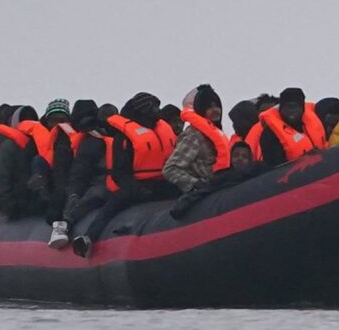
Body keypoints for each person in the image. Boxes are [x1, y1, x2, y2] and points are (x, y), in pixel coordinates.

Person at [71, 92, 178, 257]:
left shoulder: (162, 130)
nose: (156, 112)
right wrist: (135, 189)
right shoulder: (124, 137)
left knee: (183, 189)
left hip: (161, 182)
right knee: (112, 205)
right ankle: (88, 238)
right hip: (134, 185)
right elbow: (120, 172)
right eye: (152, 107)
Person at [48, 100, 106, 248]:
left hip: (96, 184)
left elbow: (78, 173)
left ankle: (64, 225)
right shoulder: (100, 137)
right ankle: (66, 225)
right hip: (105, 185)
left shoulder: (89, 140)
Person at [0, 106, 52, 219]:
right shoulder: (10, 147)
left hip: (37, 205)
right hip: (19, 205)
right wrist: (10, 206)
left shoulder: (43, 145)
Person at [163, 84, 229, 193]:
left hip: (219, 190)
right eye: (210, 107)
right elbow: (170, 169)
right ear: (201, 110)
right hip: (203, 195)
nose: (215, 110)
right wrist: (196, 183)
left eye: (217, 106)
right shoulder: (193, 135)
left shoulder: (218, 134)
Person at [246, 87, 326, 167]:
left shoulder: (314, 122)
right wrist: (303, 159)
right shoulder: (270, 134)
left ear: (302, 109)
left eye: (295, 106)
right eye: (288, 106)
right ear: (280, 109)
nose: (292, 110)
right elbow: (274, 168)